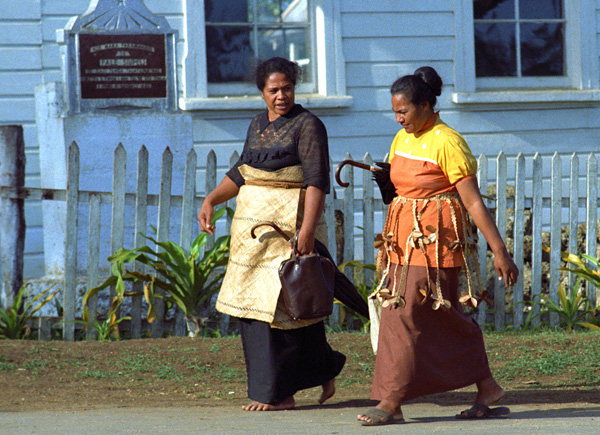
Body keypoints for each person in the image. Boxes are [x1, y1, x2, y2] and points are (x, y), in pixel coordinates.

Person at [357, 66, 519, 425]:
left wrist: (500, 251)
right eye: (396, 112)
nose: (399, 119)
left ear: (427, 105)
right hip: (401, 243)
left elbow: (473, 201)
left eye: (405, 112)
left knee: (404, 315)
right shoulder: (402, 138)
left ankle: (391, 400)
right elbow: (398, 188)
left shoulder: (448, 141)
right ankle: (486, 385)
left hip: (436, 243)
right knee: (440, 318)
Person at [198, 57, 345, 412]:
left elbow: (316, 182)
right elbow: (242, 171)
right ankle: (321, 371)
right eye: (274, 89)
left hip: (290, 229)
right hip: (252, 234)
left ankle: (279, 394)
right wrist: (212, 200)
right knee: (259, 309)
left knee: (285, 307)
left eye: (288, 88)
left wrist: (307, 232)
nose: (282, 96)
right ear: (261, 92)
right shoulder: (257, 124)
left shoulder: (308, 125)